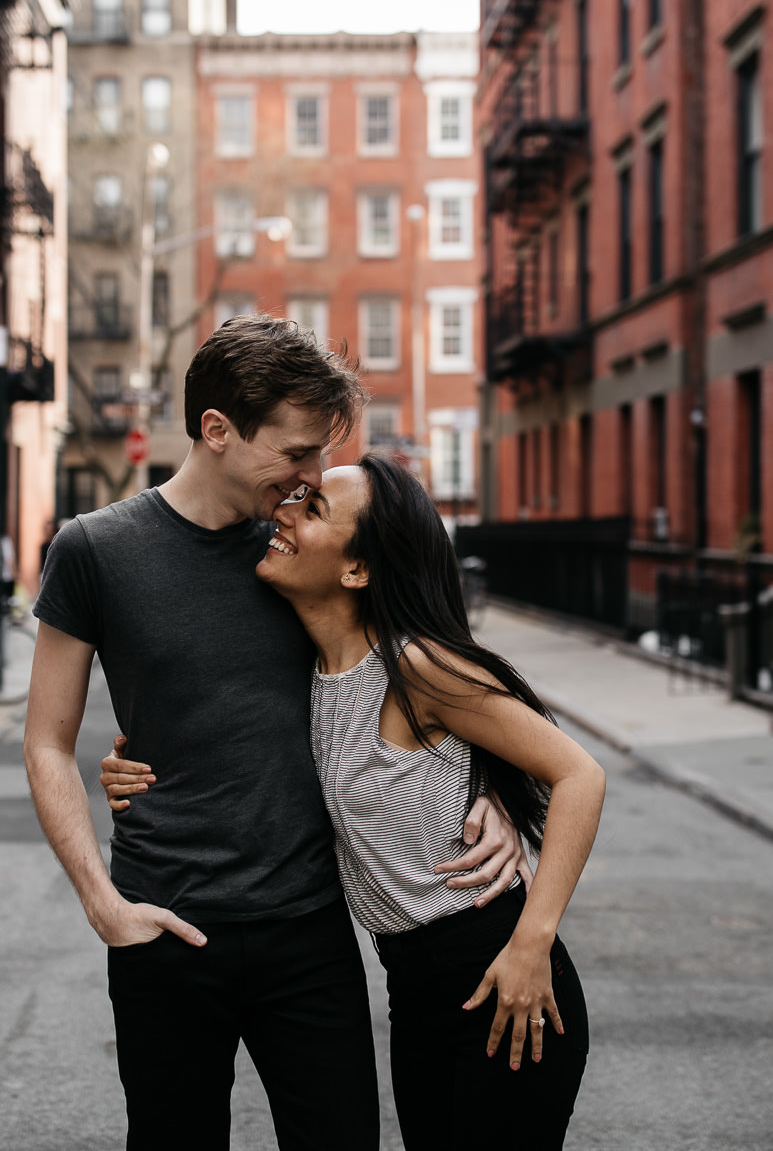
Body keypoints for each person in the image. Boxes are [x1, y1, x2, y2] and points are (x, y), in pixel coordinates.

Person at [24, 315, 525, 1151]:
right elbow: (46, 740)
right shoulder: (93, 549)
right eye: (296, 453)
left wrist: (489, 787)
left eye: (321, 456)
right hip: (164, 923)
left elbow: (440, 674)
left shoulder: (305, 550)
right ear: (217, 430)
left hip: (310, 926)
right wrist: (103, 904)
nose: (312, 476)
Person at [104, 455, 606, 1148]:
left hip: (498, 966)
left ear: (358, 570)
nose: (284, 513)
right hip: (413, 988)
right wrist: (134, 763)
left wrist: (532, 942)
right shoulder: (309, 672)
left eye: (311, 509)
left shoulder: (416, 667)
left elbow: (580, 774)